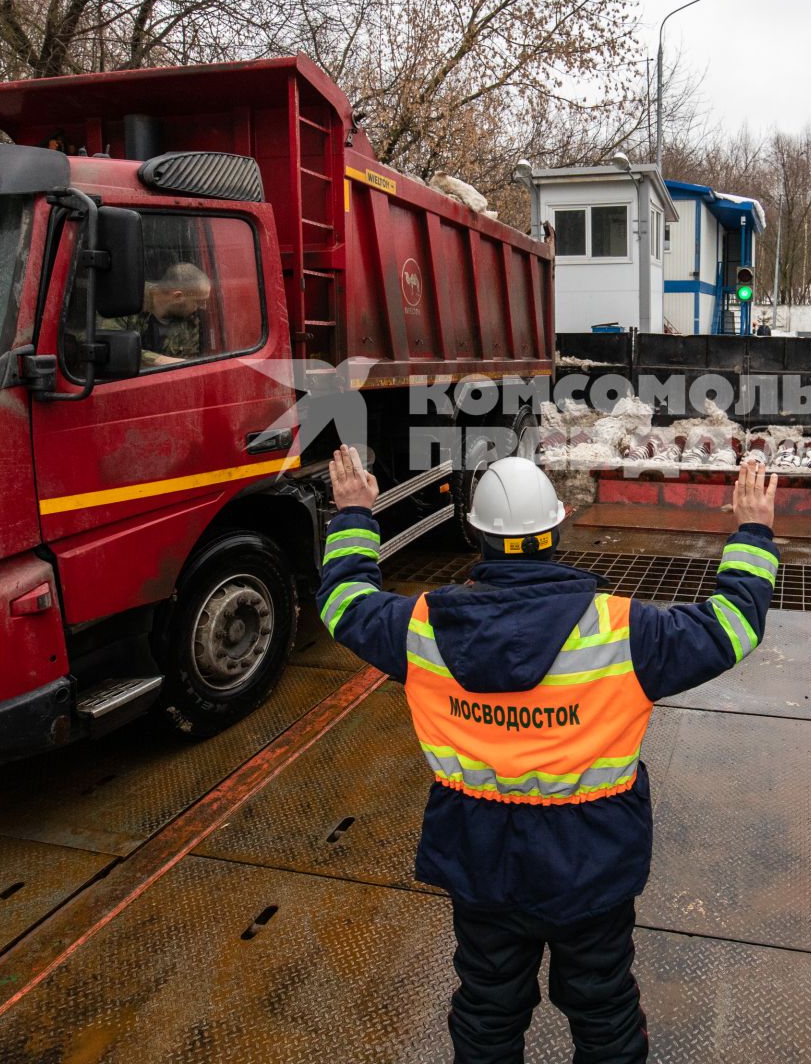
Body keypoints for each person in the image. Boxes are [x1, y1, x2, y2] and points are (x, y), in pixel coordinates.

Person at [318, 447, 781, 1063]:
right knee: (603, 1009)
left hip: (481, 862)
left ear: (477, 535)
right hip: (591, 865)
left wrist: (354, 515)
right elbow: (733, 625)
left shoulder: (421, 628)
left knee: (487, 1011)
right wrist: (752, 531)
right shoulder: (624, 631)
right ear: (556, 530)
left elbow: (344, 603)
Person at [104, 261, 210, 365]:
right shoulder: (127, 299)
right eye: (199, 301)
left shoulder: (190, 321)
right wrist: (159, 361)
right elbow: (107, 345)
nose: (203, 307)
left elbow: (187, 364)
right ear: (178, 297)